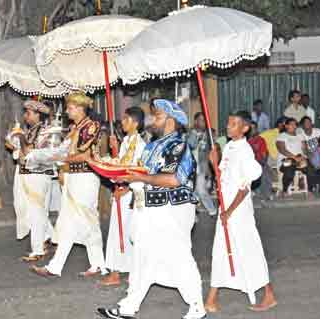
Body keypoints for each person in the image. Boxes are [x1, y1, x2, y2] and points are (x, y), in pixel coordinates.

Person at [97, 99, 206, 319]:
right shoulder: (152, 145)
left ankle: (197, 307)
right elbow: (140, 170)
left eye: (157, 116)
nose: (152, 120)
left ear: (171, 120)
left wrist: (138, 176)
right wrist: (118, 171)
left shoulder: (179, 145)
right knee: (142, 257)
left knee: (178, 256)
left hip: (172, 210)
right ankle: (128, 307)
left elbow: (174, 179)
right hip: (149, 209)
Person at [205, 110, 277, 313]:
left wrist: (229, 212)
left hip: (238, 211)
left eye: (234, 124)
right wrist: (214, 162)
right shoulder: (229, 146)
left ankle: (269, 294)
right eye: (228, 123)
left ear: (245, 128)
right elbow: (223, 177)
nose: (228, 127)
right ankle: (211, 297)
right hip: (225, 208)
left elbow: (244, 188)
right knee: (220, 250)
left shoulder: (245, 151)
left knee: (249, 250)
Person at [31, 92, 106, 278]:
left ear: (80, 108)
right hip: (74, 176)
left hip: (86, 177)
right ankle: (96, 264)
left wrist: (60, 159)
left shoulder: (91, 126)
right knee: (79, 221)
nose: (67, 111)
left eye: (70, 108)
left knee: (78, 220)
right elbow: (61, 150)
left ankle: (59, 266)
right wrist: (48, 156)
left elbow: (84, 155)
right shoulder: (75, 128)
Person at [99, 106, 147, 287]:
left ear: (135, 123)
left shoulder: (141, 145)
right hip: (121, 191)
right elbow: (121, 164)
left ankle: (118, 272)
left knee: (128, 233)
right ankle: (120, 269)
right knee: (119, 231)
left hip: (132, 194)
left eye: (126, 119)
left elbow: (139, 170)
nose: (123, 122)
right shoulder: (126, 141)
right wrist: (115, 149)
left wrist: (125, 188)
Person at [6, 99, 55, 262]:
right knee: (26, 209)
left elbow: (28, 151)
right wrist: (14, 140)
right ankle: (48, 236)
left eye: (28, 113)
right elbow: (18, 149)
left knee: (36, 212)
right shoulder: (31, 130)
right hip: (27, 174)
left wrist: (19, 137)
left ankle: (38, 249)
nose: (25, 116)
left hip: (37, 176)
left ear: (37, 114)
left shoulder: (44, 131)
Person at [187, 112, 217, 216]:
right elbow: (191, 145)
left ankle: (212, 210)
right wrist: (195, 135)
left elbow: (209, 152)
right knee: (193, 190)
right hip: (191, 167)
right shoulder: (190, 133)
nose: (204, 122)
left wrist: (210, 169)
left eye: (205, 120)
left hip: (202, 167)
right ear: (196, 121)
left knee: (201, 189)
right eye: (201, 120)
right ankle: (193, 212)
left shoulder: (208, 135)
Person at [276, 118, 308, 194]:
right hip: (287, 160)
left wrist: (304, 156)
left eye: (295, 124)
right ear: (286, 126)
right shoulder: (282, 136)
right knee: (289, 171)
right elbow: (282, 150)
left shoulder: (300, 136)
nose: (294, 126)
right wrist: (294, 157)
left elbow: (305, 150)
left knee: (311, 169)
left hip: (300, 159)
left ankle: (309, 189)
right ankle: (284, 190)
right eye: (292, 124)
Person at [248, 121, 272, 200]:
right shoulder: (243, 140)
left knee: (266, 171)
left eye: (254, 128)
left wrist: (263, 163)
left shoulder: (260, 140)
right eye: (250, 129)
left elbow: (264, 154)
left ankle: (267, 194)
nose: (252, 130)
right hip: (247, 163)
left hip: (259, 161)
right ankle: (252, 191)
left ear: (257, 129)